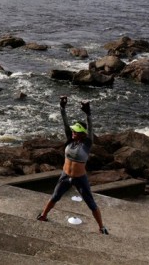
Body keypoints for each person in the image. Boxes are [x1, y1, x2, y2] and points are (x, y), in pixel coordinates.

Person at [37, 96, 109, 235]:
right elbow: (65, 124)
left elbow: (90, 127)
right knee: (55, 197)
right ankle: (44, 215)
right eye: (73, 131)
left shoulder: (87, 144)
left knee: (91, 203)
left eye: (76, 131)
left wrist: (88, 113)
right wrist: (62, 108)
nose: (73, 132)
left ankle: (101, 227)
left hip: (80, 178)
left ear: (83, 133)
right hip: (65, 176)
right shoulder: (70, 140)